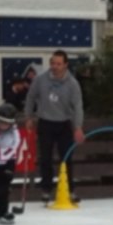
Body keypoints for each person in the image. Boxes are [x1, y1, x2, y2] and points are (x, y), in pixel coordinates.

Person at [25, 50, 85, 202]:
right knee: (45, 158)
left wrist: (78, 127)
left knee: (66, 158)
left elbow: (78, 106)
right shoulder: (40, 80)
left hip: (64, 124)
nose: (55, 66)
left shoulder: (72, 84)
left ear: (65, 65)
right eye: (53, 63)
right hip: (45, 123)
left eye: (59, 64)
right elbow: (30, 97)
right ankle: (46, 189)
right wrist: (29, 117)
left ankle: (69, 189)